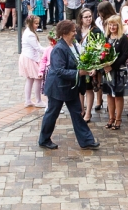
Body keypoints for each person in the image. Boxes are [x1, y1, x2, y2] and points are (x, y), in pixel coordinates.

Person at [38, 21, 100, 150]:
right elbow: (58, 71)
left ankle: (87, 141)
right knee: (52, 114)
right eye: (73, 31)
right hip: (58, 88)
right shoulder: (59, 49)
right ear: (65, 33)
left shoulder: (73, 45)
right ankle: (44, 139)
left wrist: (89, 69)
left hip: (71, 87)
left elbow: (79, 62)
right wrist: (79, 73)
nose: (75, 33)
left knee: (77, 113)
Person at [76, 8, 104, 122]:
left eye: (90, 16)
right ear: (81, 18)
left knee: (89, 89)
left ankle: (88, 113)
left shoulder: (96, 31)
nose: (88, 19)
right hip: (79, 62)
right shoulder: (77, 30)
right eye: (86, 17)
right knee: (79, 88)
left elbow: (100, 47)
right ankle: (81, 110)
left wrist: (95, 65)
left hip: (90, 62)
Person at [19, 15, 46, 107]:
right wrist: (50, 50)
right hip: (30, 58)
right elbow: (38, 48)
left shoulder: (28, 31)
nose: (37, 25)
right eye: (36, 23)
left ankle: (28, 100)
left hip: (28, 57)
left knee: (30, 79)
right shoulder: (30, 34)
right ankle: (38, 100)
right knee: (38, 78)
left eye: (38, 23)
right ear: (30, 23)